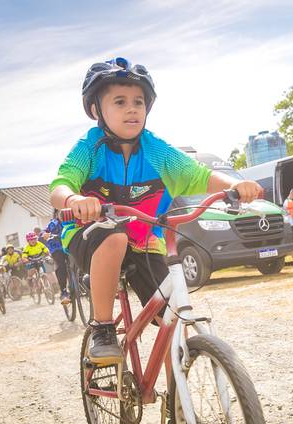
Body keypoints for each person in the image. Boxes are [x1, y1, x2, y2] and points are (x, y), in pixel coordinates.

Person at [49, 57, 262, 365]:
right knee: (114, 236)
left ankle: (178, 387)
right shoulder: (89, 147)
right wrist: (73, 200)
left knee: (173, 323)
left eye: (139, 101)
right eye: (120, 102)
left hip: (144, 241)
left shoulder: (156, 150)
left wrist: (234, 184)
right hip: (91, 234)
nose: (132, 109)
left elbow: (199, 175)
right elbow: (61, 185)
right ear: (96, 110)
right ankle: (103, 329)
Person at [45, 213, 70, 304]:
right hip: (57, 247)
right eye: (60, 212)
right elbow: (45, 232)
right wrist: (45, 234)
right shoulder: (53, 223)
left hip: (70, 245)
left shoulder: (72, 219)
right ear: (56, 214)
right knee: (61, 265)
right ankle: (63, 291)